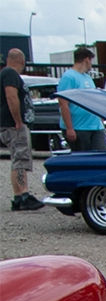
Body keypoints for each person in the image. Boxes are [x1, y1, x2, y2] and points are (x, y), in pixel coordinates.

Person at [1, 48, 43, 210]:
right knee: (20, 160)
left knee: (18, 159)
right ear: (22, 61)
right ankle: (23, 194)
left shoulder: (6, 74)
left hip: (11, 124)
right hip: (14, 125)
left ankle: (18, 197)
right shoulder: (10, 74)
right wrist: (18, 121)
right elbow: (11, 96)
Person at [58, 47, 106, 151]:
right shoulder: (69, 77)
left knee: (101, 156)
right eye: (91, 61)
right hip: (79, 127)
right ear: (87, 60)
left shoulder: (87, 77)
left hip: (95, 125)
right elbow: (63, 103)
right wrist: (69, 128)